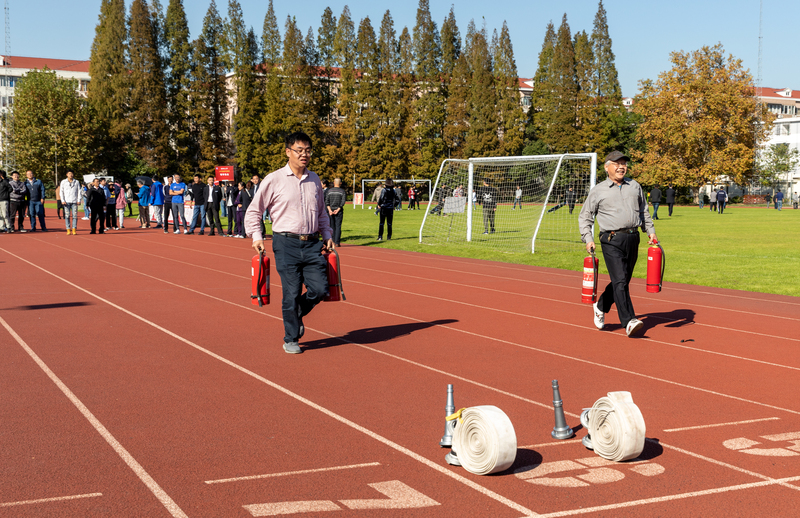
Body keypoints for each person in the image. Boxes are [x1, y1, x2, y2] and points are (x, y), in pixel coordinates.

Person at [246, 131, 334, 355]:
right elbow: (254, 211)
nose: (304, 155)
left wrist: (328, 234)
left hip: (313, 243)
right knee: (291, 293)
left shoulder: (314, 179)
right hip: (286, 244)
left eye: (308, 150)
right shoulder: (274, 179)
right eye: (299, 150)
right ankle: (291, 338)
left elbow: (322, 213)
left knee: (321, 289)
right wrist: (257, 237)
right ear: (288, 152)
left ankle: (295, 315)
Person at [579, 151, 657, 338]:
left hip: (633, 237)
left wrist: (651, 231)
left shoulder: (635, 186)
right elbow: (585, 216)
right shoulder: (598, 190)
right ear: (607, 167)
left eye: (624, 163)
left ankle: (600, 306)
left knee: (621, 280)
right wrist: (588, 239)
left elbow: (644, 212)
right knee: (621, 280)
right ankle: (629, 321)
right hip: (611, 240)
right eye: (617, 163)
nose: (621, 166)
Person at [325, 177, 346, 246]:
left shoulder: (329, 191)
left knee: (331, 226)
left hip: (330, 210)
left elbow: (327, 201)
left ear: (334, 183)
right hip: (338, 211)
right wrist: (338, 209)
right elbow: (343, 202)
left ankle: (332, 240)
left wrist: (330, 210)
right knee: (338, 226)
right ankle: (337, 242)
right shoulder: (342, 191)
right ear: (340, 183)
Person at [59, 170, 81, 235]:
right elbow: (61, 191)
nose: (71, 175)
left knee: (75, 216)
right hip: (66, 201)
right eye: (69, 173)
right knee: (67, 216)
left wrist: (79, 200)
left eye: (72, 173)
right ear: (67, 175)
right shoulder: (63, 182)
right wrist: (62, 200)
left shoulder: (76, 182)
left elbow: (79, 191)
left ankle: (74, 229)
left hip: (74, 201)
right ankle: (68, 229)